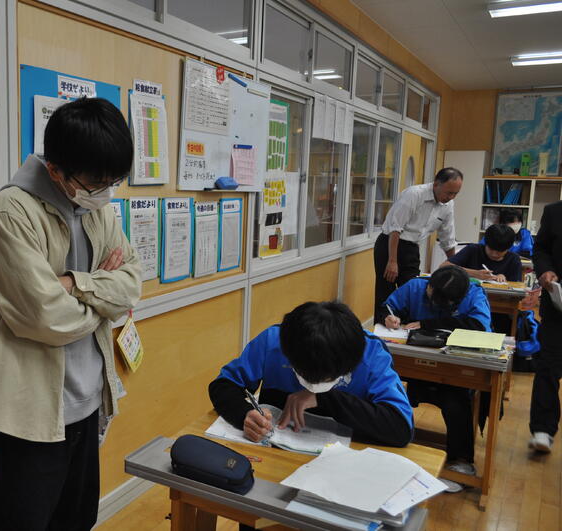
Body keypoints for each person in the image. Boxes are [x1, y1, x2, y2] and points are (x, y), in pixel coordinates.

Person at [0, 97, 142, 531]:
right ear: (55, 170)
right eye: (96, 182)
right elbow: (47, 319)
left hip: (88, 403)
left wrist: (73, 284)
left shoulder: (98, 207)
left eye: (114, 181)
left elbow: (131, 283)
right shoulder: (10, 213)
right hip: (27, 413)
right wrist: (101, 302)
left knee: (77, 521)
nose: (105, 191)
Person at [208, 301, 414, 450]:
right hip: (277, 450)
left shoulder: (371, 354)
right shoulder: (274, 341)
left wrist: (324, 398)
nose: (313, 385)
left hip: (344, 457)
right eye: (305, 376)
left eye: (328, 379)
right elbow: (223, 385)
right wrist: (244, 414)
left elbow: (401, 428)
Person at [382, 266, 491, 492]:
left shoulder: (474, 294)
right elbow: (387, 306)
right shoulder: (417, 286)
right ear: (430, 285)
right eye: (430, 294)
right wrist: (388, 317)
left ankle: (461, 461)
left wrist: (428, 324)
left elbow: (480, 326)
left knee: (456, 401)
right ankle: (381, 438)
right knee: (383, 383)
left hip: (452, 369)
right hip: (413, 359)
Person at [374, 168, 464, 323]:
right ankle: (383, 329)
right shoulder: (414, 194)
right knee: (386, 292)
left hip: (411, 248)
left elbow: (447, 238)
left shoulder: (448, 204)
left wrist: (455, 268)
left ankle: (407, 328)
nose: (451, 197)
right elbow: (395, 228)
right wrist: (392, 261)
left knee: (414, 291)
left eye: (455, 194)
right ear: (436, 184)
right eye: (449, 193)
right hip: (390, 244)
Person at [529, 201, 562, 453]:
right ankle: (543, 429)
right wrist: (546, 270)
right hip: (557, 303)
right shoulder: (554, 211)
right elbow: (540, 249)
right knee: (548, 365)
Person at [442, 224, 522, 283]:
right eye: (491, 249)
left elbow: (517, 286)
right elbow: (444, 267)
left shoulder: (513, 259)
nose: (494, 254)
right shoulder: (473, 250)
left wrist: (504, 279)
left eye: (499, 252)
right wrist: (474, 273)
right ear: (486, 243)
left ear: (508, 248)